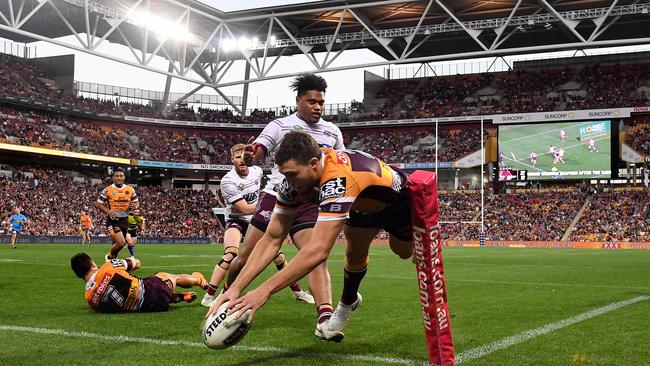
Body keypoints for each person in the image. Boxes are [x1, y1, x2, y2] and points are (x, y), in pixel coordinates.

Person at [212, 131, 413, 343]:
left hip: (397, 204)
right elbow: (272, 239)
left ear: (314, 164)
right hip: (360, 206)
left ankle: (419, 235)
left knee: (402, 251)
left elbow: (317, 250)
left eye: (292, 174)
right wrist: (235, 288)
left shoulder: (339, 179)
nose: (289, 182)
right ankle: (347, 304)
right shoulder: (294, 183)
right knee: (355, 252)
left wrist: (264, 291)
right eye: (285, 175)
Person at [210, 74, 345, 332]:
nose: (317, 106)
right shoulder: (280, 125)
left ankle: (325, 318)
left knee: (315, 256)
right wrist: (252, 155)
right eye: (311, 101)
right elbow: (259, 149)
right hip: (277, 196)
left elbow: (340, 164)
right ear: (298, 101)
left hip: (310, 201)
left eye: (321, 102)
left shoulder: (332, 132)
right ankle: (226, 297)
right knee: (245, 257)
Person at [202, 144, 312, 307]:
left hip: (256, 218)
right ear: (232, 159)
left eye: (242, 156)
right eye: (237, 157)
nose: (241, 160)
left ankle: (298, 292)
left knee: (277, 256)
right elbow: (244, 208)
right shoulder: (228, 180)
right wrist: (267, 201)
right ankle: (211, 296)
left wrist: (265, 200)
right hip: (237, 219)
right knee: (231, 254)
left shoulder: (257, 171)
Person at [70, 252, 208, 313]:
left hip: (148, 308)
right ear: (93, 264)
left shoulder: (89, 299)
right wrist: (130, 260)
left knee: (144, 287)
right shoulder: (107, 267)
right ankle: (199, 280)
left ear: (78, 275)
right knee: (170, 277)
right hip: (154, 291)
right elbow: (137, 263)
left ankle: (180, 297)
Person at [95, 169, 139, 261]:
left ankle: (112, 261)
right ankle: (109, 257)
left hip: (124, 220)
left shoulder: (130, 189)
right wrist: (108, 211)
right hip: (113, 220)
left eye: (121, 176)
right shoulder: (107, 190)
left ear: (124, 178)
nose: (119, 177)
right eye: (117, 176)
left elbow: (136, 202)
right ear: (113, 178)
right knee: (121, 243)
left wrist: (134, 206)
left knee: (116, 244)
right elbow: (98, 204)